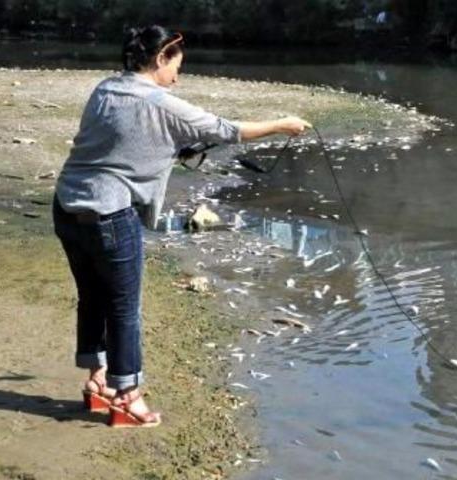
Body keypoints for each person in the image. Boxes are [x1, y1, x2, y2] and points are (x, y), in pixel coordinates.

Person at [53, 25, 311, 428]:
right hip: (110, 215)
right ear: (160, 59)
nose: (178, 75)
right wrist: (283, 124)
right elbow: (230, 131)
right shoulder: (164, 103)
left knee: (93, 297)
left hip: (67, 207)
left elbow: (123, 140)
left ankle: (98, 382)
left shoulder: (105, 89)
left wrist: (176, 147)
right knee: (123, 307)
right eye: (177, 65)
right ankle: (128, 397)